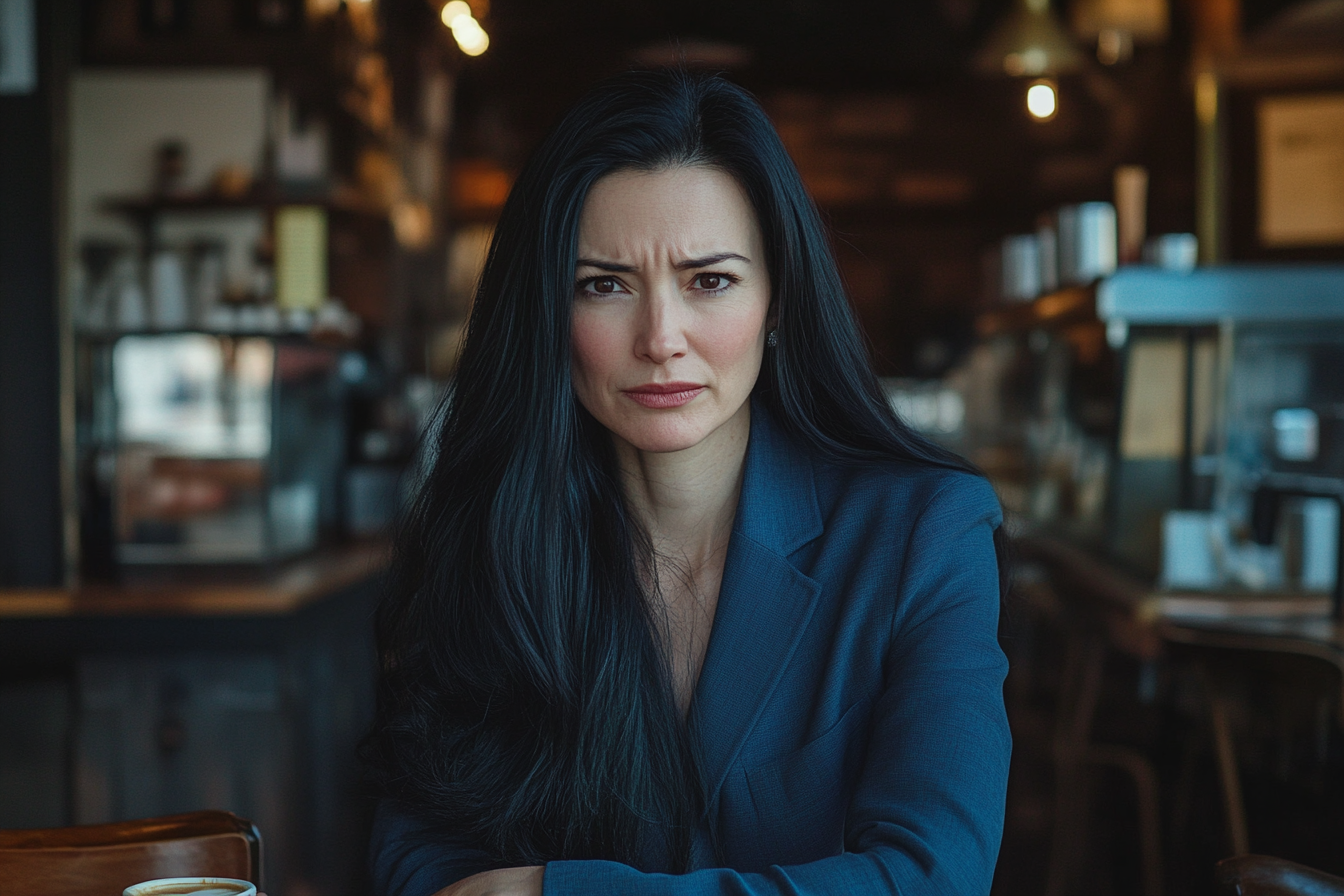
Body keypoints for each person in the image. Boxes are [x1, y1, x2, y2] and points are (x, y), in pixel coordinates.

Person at [363, 68, 1011, 896]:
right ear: (548, 316)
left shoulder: (926, 533)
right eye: (604, 285)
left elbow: (934, 877)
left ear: (779, 300)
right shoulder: (489, 540)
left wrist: (550, 891)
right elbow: (420, 861)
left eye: (710, 280)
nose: (660, 337)